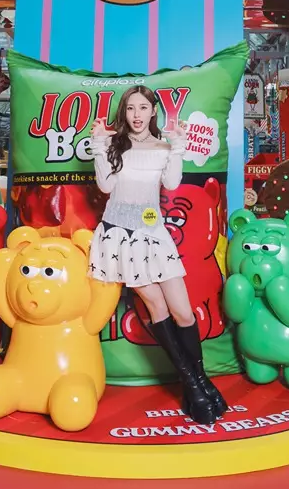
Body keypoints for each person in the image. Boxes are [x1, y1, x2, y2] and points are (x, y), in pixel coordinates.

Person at [89, 85, 227, 425]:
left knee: (183, 312)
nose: (136, 114)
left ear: (153, 111)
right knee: (157, 308)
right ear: (124, 113)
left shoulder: (165, 146)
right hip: (120, 236)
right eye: (130, 108)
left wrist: (177, 146)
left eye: (142, 107)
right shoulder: (114, 145)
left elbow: (173, 184)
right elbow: (106, 187)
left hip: (153, 235)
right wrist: (99, 147)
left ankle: (200, 380)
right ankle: (194, 386)